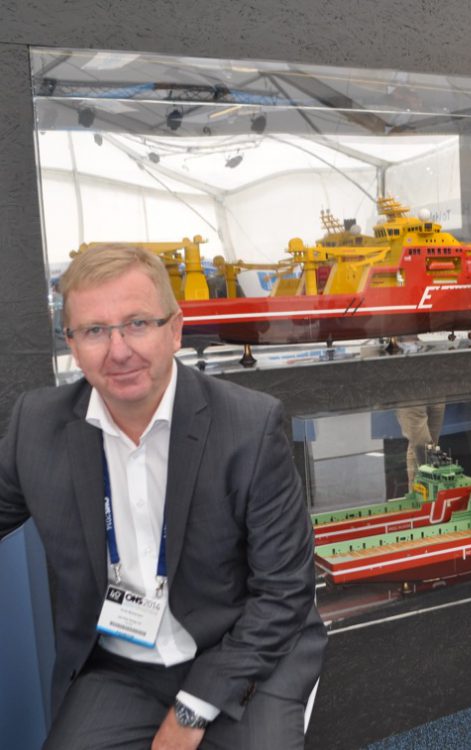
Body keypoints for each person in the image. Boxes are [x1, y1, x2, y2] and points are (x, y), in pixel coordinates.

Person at [0, 246, 326, 749]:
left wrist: (191, 712)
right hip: (122, 665)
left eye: (137, 324)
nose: (118, 351)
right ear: (71, 344)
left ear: (174, 330)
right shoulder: (37, 426)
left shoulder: (248, 427)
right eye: (94, 330)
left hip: (244, 652)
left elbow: (284, 592)